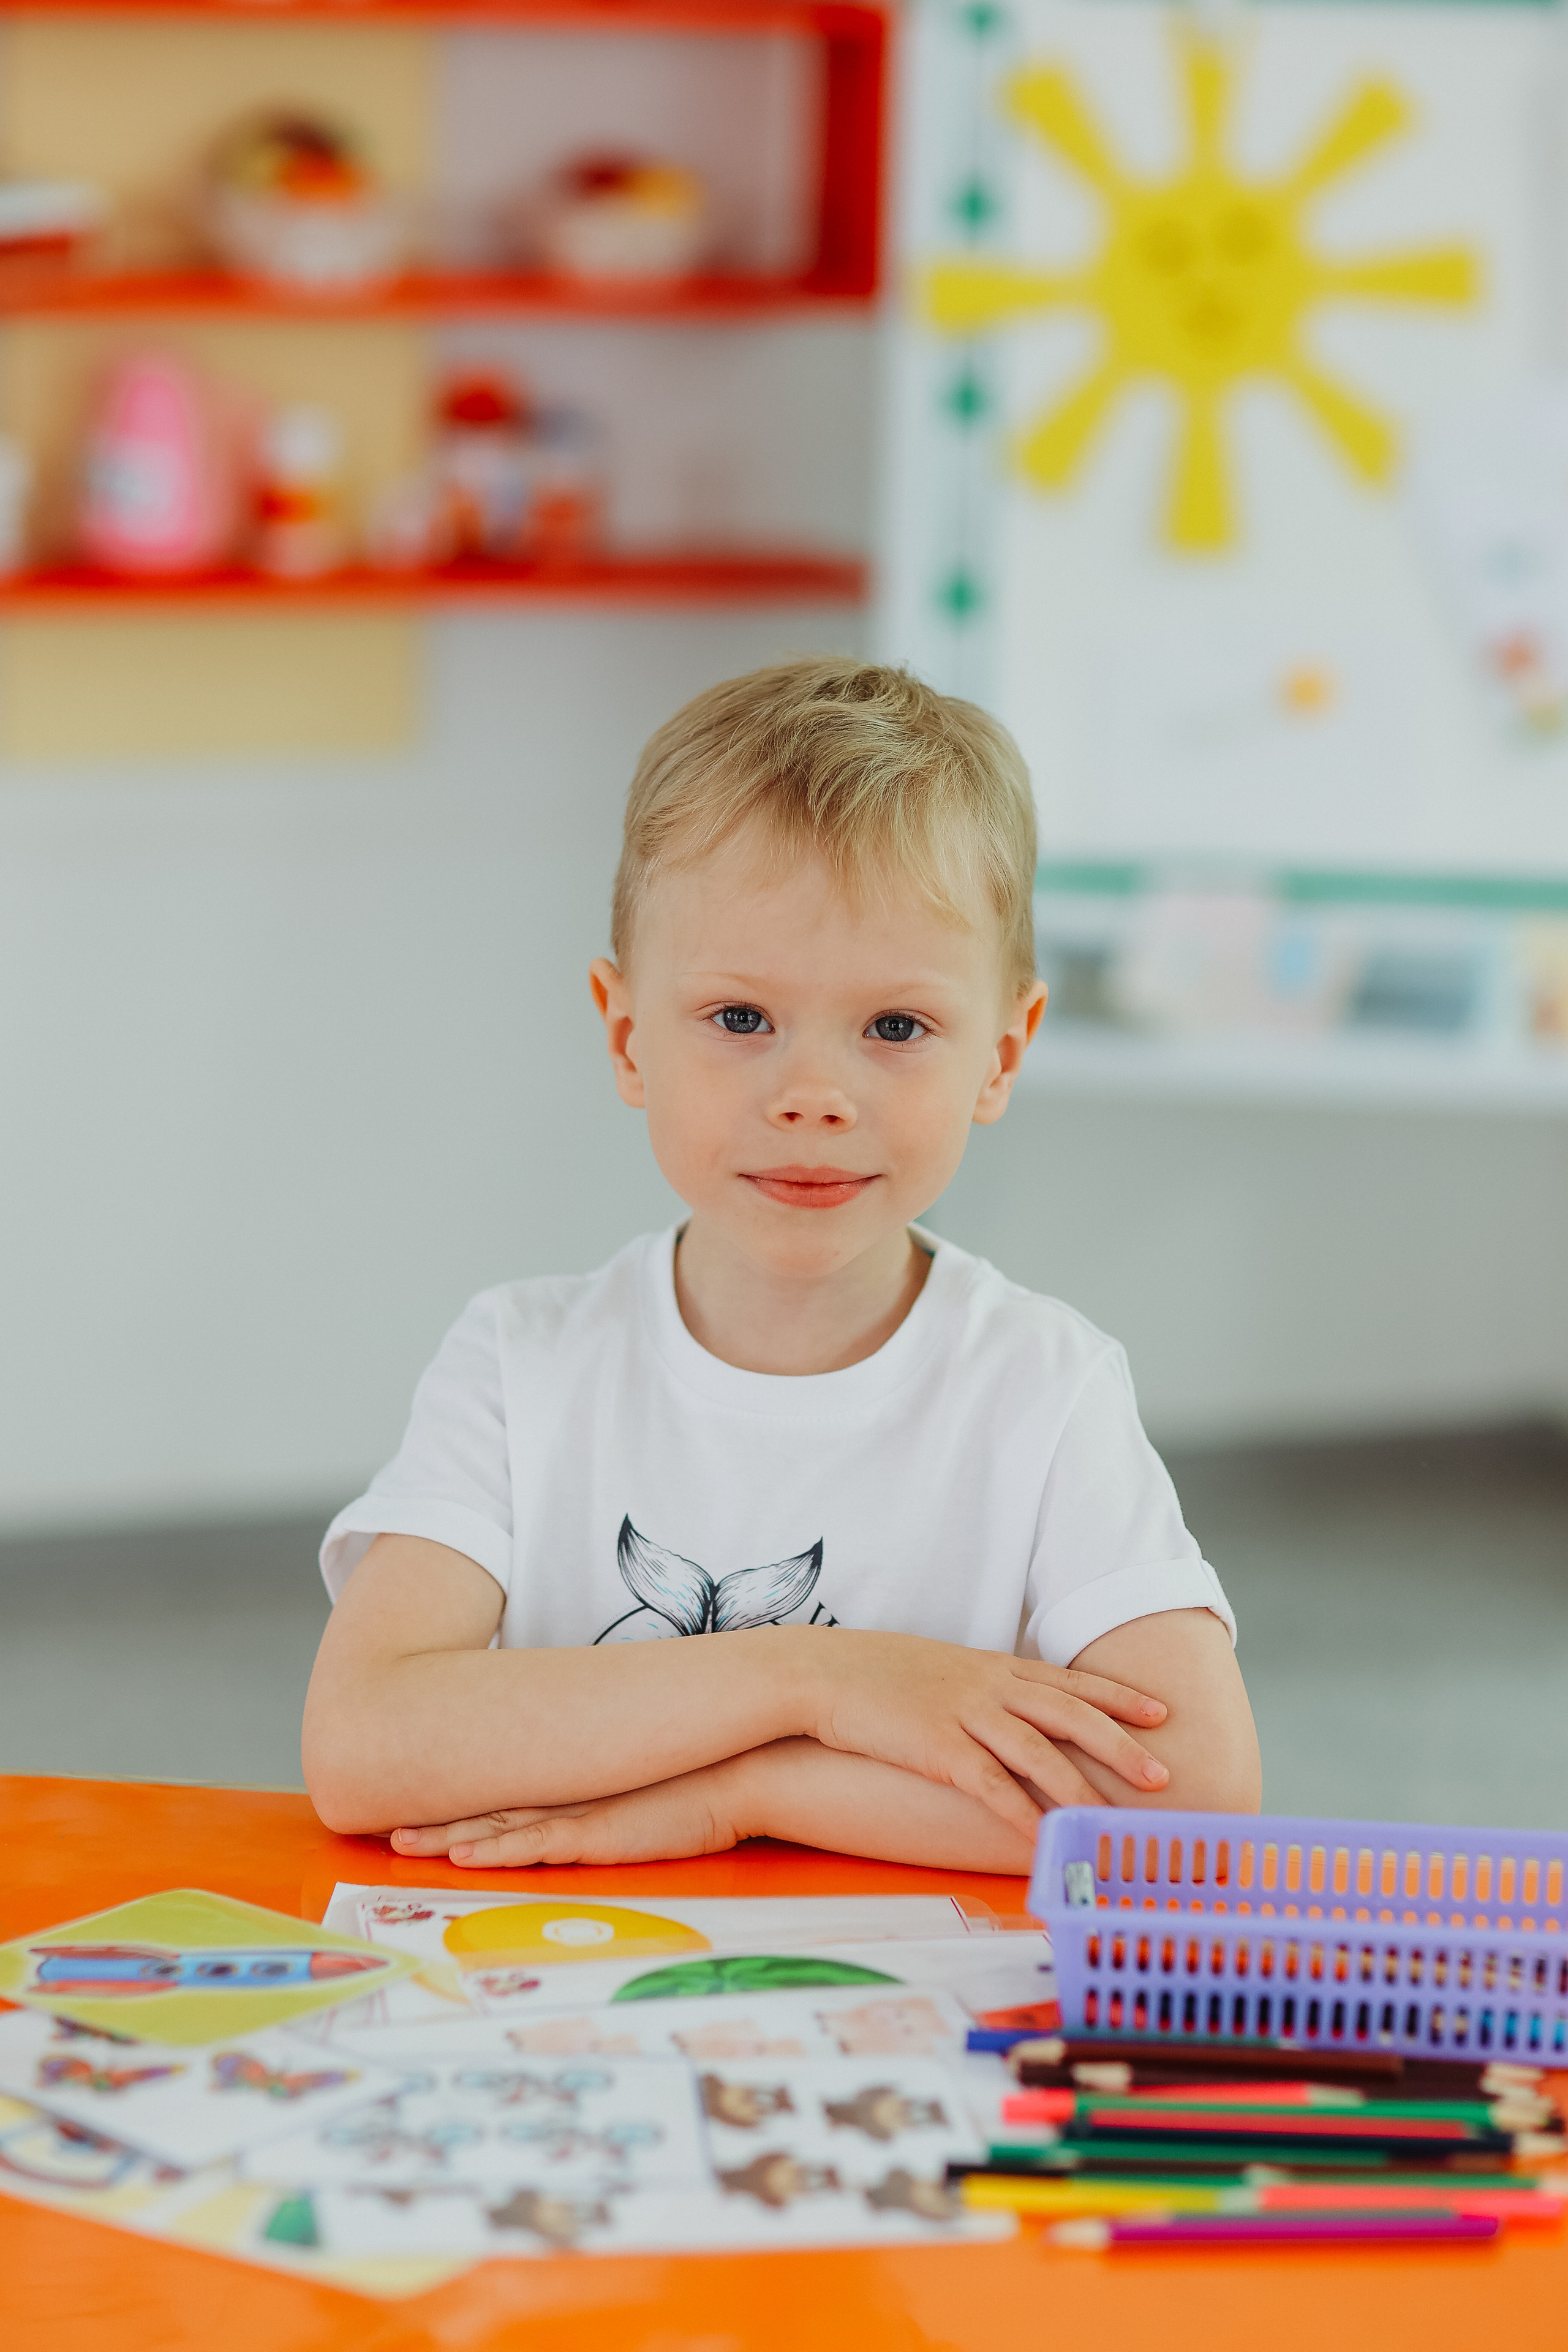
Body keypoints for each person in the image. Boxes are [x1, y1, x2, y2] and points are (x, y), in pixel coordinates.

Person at [302, 658, 1261, 1875]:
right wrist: (819, 1676)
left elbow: (1195, 1802)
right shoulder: (518, 1361)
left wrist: (748, 1792)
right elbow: (361, 1745)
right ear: (624, 1034)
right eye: (741, 1019)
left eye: (895, 1028)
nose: (813, 1097)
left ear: (1002, 1051)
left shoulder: (1042, 1384)